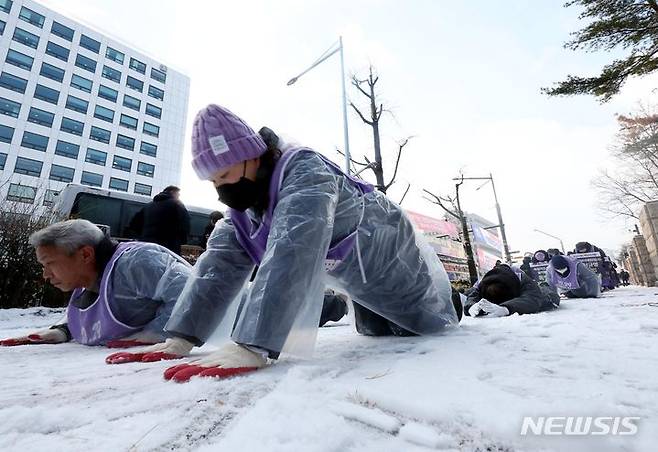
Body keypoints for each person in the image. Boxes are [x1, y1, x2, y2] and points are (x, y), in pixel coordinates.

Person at [108, 104, 461, 382]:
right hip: (356, 278)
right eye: (215, 181)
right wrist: (181, 337)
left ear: (252, 156)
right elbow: (218, 266)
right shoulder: (248, 209)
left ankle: (456, 302)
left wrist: (251, 345)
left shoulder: (306, 174)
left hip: (389, 251)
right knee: (378, 331)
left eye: (227, 175)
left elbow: (291, 251)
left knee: (430, 322)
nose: (223, 189)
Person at [0, 220, 191, 350]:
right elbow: (96, 315)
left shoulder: (136, 262)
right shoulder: (88, 281)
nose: (46, 275)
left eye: (49, 263)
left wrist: (153, 334)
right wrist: (62, 331)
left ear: (85, 255)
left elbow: (190, 293)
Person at [464, 264, 560, 318]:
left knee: (550, 297)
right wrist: (471, 307)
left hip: (534, 292)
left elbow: (532, 298)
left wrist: (506, 308)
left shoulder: (521, 278)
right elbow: (471, 296)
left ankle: (544, 285)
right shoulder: (481, 283)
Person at [127, 186, 191, 255]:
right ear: (172, 192)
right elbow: (185, 224)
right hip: (167, 248)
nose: (178, 196)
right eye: (178, 194)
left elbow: (134, 225)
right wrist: (181, 241)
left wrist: (143, 236)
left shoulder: (148, 206)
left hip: (146, 246)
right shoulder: (177, 204)